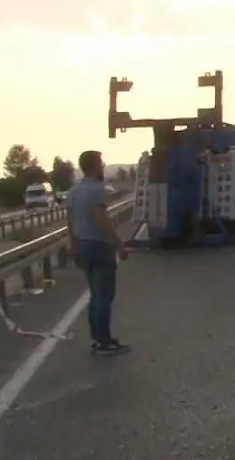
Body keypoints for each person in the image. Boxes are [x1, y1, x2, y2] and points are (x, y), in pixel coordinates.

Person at [66, 150, 130, 356]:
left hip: (83, 244)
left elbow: (70, 220)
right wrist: (118, 242)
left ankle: (97, 338)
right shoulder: (96, 190)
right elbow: (100, 218)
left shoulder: (74, 191)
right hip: (99, 245)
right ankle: (104, 341)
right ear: (94, 166)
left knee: (94, 294)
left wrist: (73, 245)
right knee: (104, 295)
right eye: (101, 163)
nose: (103, 166)